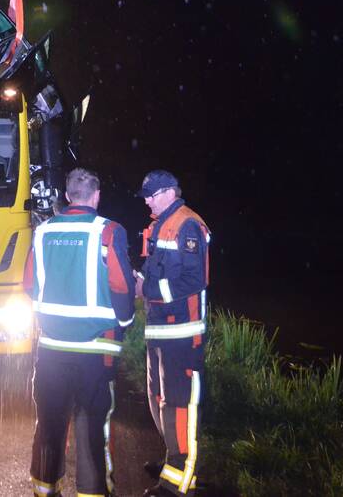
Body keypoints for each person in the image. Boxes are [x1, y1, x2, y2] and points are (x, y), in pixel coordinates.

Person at [24, 168, 136, 497]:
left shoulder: (43, 232)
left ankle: (45, 489)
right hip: (95, 349)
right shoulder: (109, 231)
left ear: (68, 196)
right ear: (97, 196)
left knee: (49, 422)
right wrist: (126, 322)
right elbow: (121, 285)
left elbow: (29, 284)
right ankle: (92, 492)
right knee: (91, 424)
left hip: (51, 347)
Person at [137, 170, 212, 497]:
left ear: (169, 192)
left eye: (151, 194)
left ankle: (179, 483)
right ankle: (173, 461)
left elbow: (193, 281)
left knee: (179, 405)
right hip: (159, 330)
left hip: (183, 333)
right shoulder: (159, 225)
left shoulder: (188, 225)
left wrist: (148, 289)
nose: (147, 200)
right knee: (159, 401)